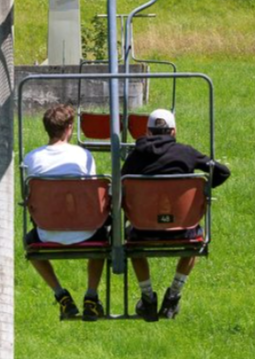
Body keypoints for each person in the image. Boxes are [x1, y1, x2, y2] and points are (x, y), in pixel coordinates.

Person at [121, 108, 231, 321]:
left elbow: (121, 184)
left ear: (148, 132)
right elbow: (223, 171)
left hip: (143, 230)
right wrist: (203, 189)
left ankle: (147, 296)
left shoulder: (136, 156)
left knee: (130, 240)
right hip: (183, 229)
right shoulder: (186, 152)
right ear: (173, 131)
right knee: (195, 237)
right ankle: (174, 293)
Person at [22, 103, 108, 321]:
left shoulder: (31, 159)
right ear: (69, 127)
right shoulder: (82, 156)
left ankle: (60, 294)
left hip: (47, 231)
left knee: (29, 243)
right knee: (104, 234)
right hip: (85, 231)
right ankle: (91, 294)